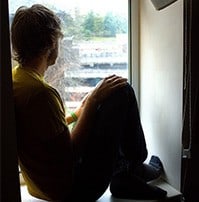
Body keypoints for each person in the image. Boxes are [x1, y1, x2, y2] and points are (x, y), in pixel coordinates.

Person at [11, 4, 167, 202]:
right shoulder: (41, 93)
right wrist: (92, 103)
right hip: (74, 189)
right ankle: (130, 171)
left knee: (104, 97)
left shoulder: (18, 80)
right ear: (52, 43)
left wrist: (81, 111)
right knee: (121, 90)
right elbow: (70, 155)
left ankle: (127, 171)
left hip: (42, 186)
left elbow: (46, 134)